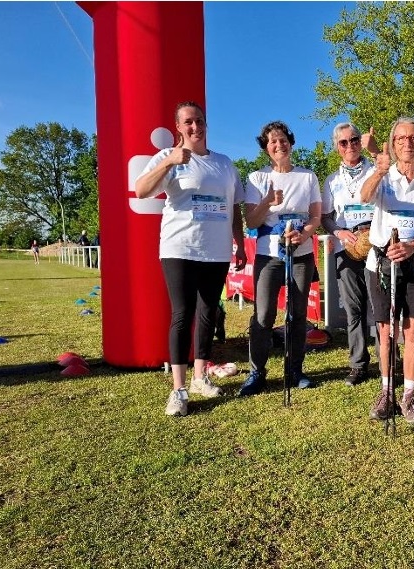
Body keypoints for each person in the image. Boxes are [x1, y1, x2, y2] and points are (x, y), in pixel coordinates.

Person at [135, 101, 246, 417]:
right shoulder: (168, 157)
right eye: (188, 122)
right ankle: (179, 390)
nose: (195, 127)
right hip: (180, 247)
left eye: (199, 121)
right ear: (178, 128)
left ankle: (200, 377)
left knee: (209, 312)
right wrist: (169, 161)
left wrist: (239, 243)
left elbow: (234, 207)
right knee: (183, 314)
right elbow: (141, 190)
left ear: (206, 124)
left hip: (217, 250)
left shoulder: (224, 163)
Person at [360, 117, 414, 424]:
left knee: (413, 332)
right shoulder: (383, 174)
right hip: (381, 265)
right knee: (386, 333)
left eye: (413, 138)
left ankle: (408, 396)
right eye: (400, 138)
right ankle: (386, 392)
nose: (407, 143)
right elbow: (364, 197)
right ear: (393, 144)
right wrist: (379, 171)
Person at [237, 121, 322, 396]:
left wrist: (304, 234)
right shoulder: (256, 178)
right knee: (263, 314)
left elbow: (316, 216)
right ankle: (257, 373)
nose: (279, 144)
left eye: (283, 139)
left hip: (301, 253)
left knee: (297, 314)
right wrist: (267, 202)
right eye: (272, 141)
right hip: (269, 254)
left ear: (291, 143)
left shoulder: (307, 176)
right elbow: (251, 220)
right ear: (266, 148)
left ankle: (295, 370)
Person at [321, 123, 380, 386]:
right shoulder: (332, 181)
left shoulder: (376, 169)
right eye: (343, 142)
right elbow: (325, 217)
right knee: (354, 308)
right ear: (337, 147)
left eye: (354, 139)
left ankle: (388, 360)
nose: (350, 146)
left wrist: (376, 151)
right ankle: (358, 364)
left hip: (376, 243)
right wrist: (338, 231)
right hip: (347, 246)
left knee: (380, 306)